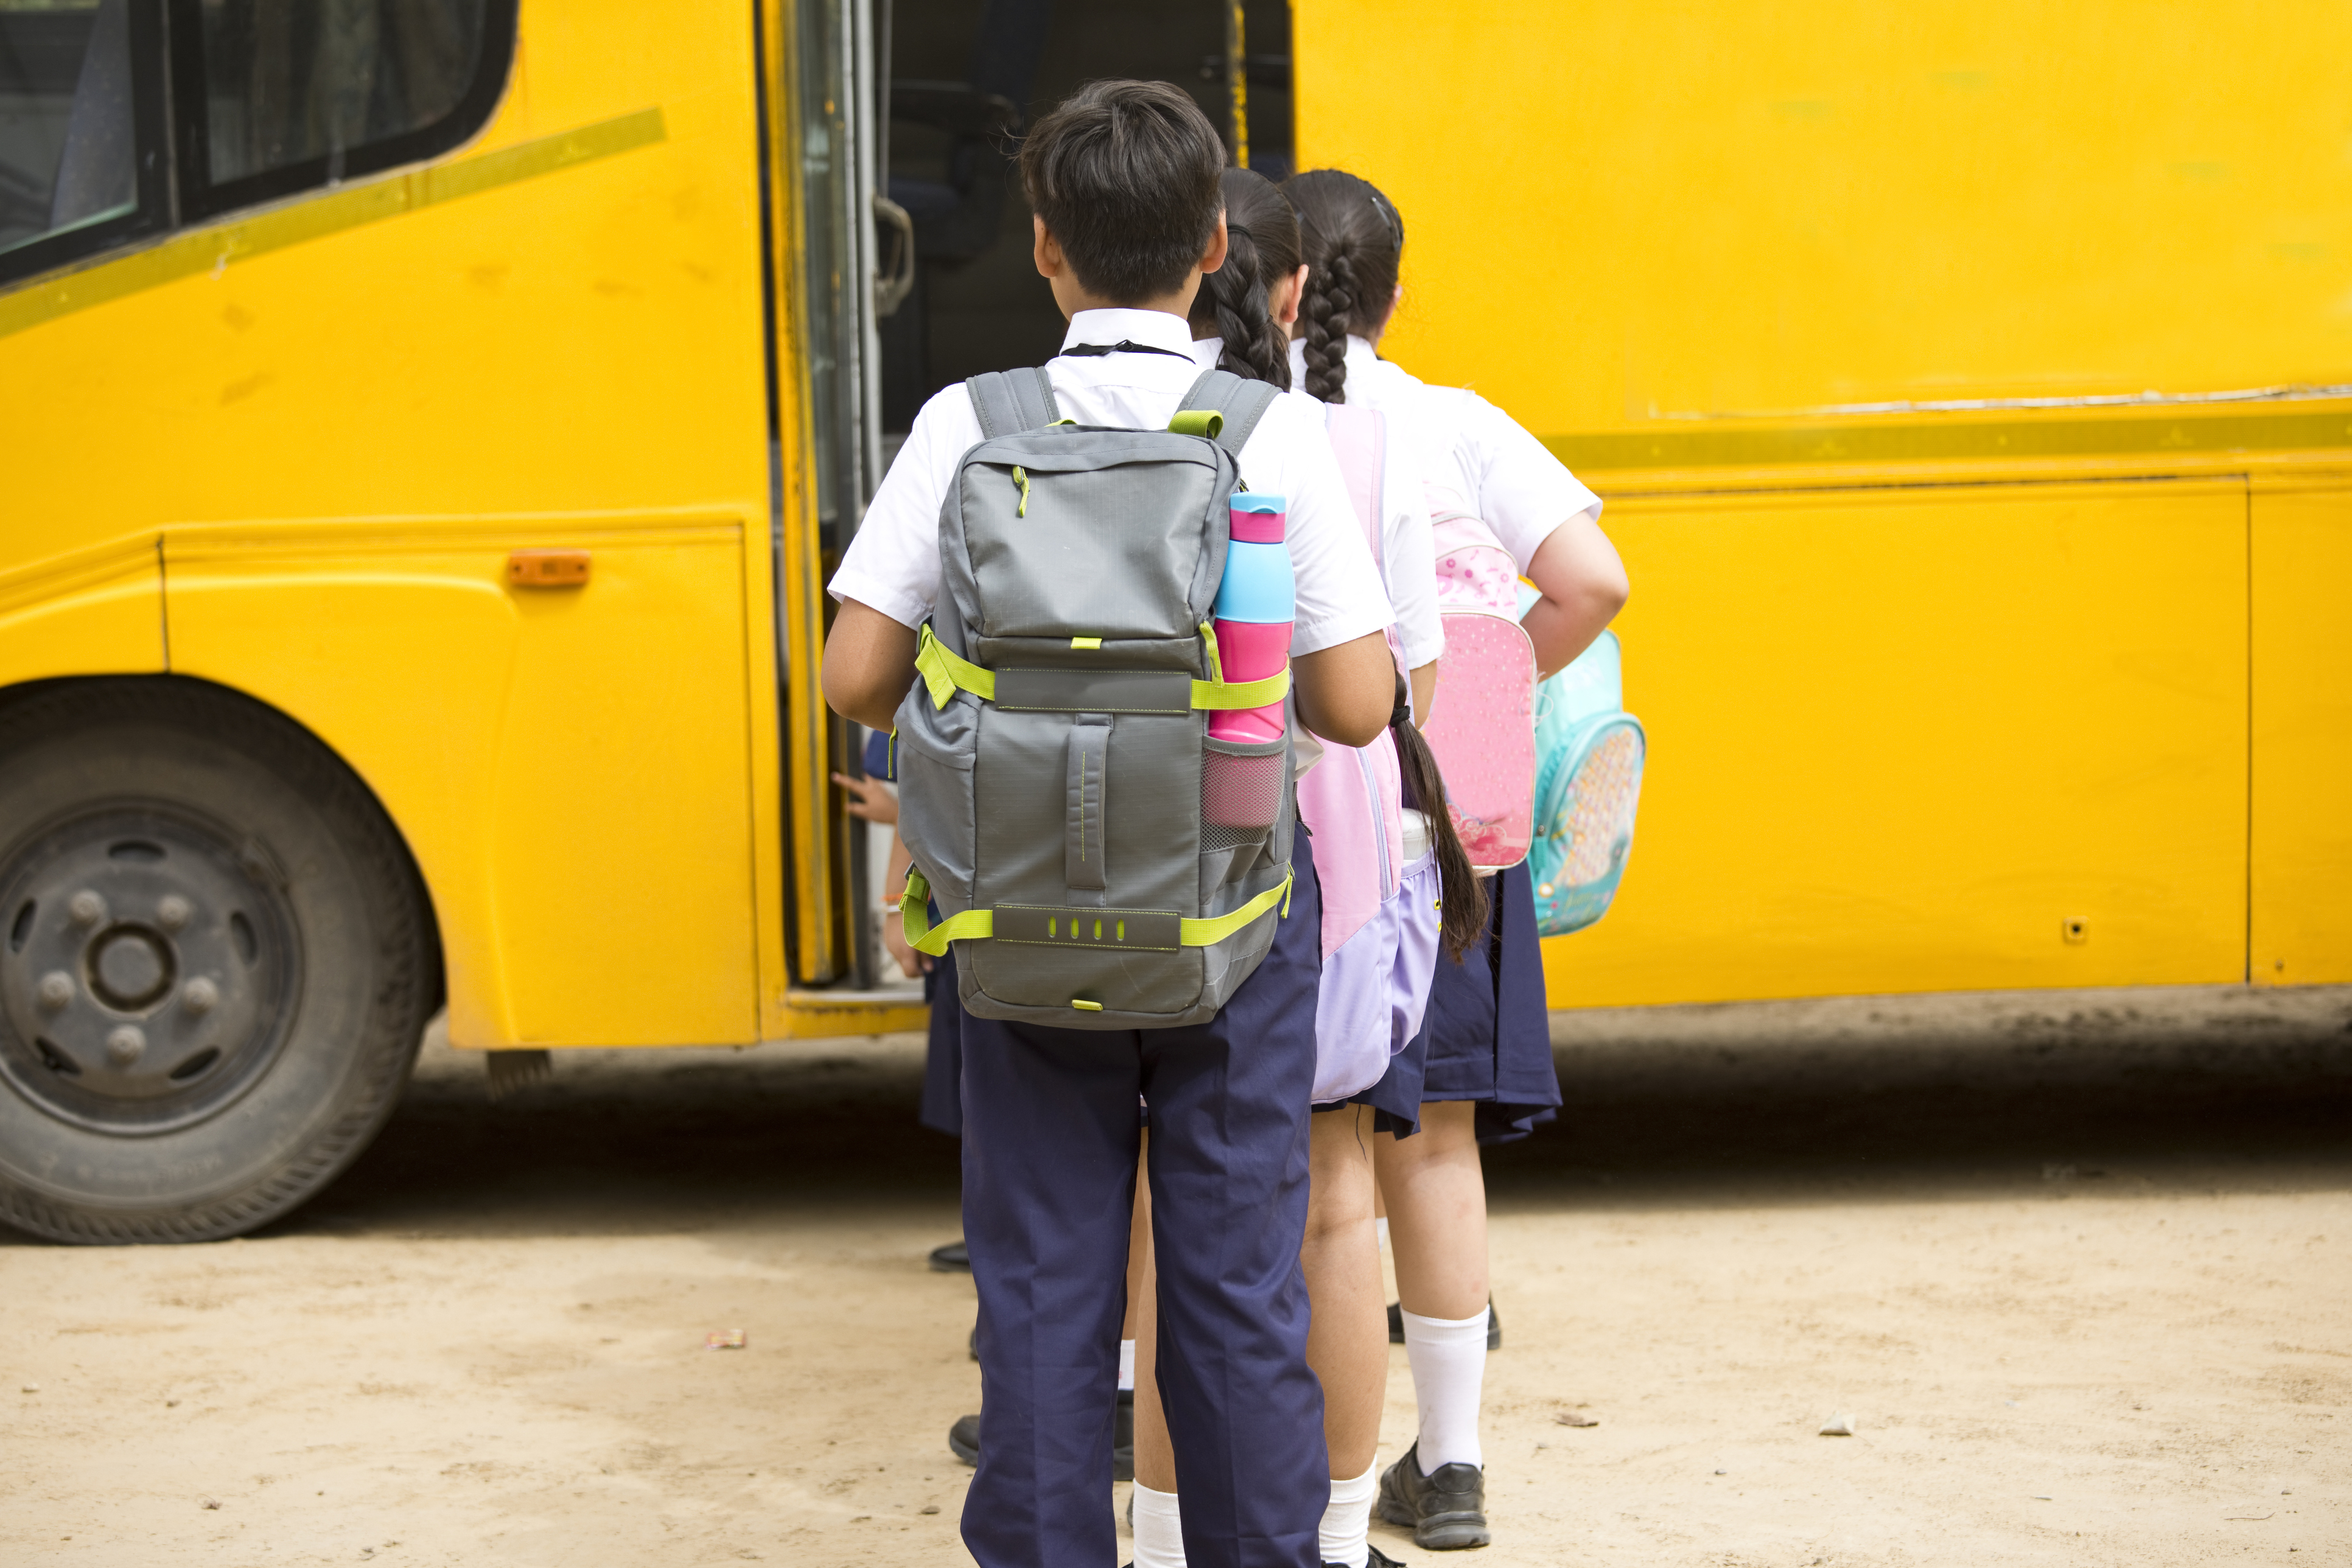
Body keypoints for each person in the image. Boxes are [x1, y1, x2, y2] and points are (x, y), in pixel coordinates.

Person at [822, 80, 1399, 1568]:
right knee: (1232, 1289)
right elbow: (1347, 706)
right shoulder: (1268, 432)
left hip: (1018, 925)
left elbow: (854, 675)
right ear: (1217, 245)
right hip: (1232, 925)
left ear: (1040, 251)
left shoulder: (969, 422)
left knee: (1038, 1290)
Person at [1125, 166, 1486, 1568]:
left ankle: (1162, 1542)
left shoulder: (1120, 420)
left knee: (1171, 1206)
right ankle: (1333, 1538)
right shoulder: (1358, 435)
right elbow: (1416, 674)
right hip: (1329, 871)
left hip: (1149, 863)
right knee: (1336, 1201)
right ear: (1291, 286)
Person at [1282, 166, 1630, 1553]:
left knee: (1324, 1173)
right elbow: (1595, 581)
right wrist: (1485, 699)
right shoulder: (1453, 421)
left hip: (1314, 832)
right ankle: (1462, 1465)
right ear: (1397, 291)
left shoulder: (1263, 423)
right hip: (1458, 826)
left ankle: (1318, 1480)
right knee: (1439, 1145)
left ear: (1277, 279)